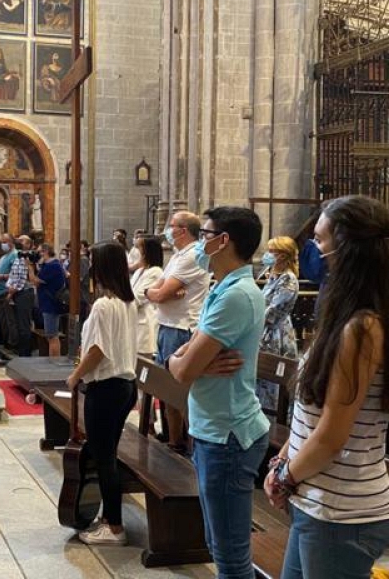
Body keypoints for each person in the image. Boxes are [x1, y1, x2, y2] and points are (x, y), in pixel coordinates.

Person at [264, 195, 389, 579]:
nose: (315, 251)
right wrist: (283, 459)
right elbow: (311, 410)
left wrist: (286, 478)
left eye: (320, 240)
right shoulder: (346, 315)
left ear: (348, 246)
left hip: (341, 511)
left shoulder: (363, 327)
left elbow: (333, 435)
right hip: (317, 500)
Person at [168, 206, 269, 579]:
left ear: (223, 241)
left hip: (227, 435)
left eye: (205, 234)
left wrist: (187, 364)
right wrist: (184, 363)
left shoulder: (235, 296)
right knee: (217, 544)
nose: (199, 242)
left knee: (230, 557)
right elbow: (177, 361)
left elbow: (181, 369)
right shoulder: (222, 287)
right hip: (215, 429)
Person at [66, 241, 138, 546]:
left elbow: (97, 351)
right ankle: (109, 517)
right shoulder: (126, 302)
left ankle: (115, 527)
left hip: (106, 389)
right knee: (105, 454)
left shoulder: (102, 305)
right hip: (125, 387)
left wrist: (75, 376)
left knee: (104, 458)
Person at [144, 211, 209, 453]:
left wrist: (159, 293)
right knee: (165, 389)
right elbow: (154, 290)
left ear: (182, 230)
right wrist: (157, 292)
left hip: (181, 327)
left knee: (180, 391)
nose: (168, 230)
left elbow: (159, 293)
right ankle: (174, 441)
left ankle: (189, 446)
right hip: (167, 324)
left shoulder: (193, 255)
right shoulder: (177, 256)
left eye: (171, 226)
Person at [260, 236, 300, 358]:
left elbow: (273, 310)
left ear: (282, 255)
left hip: (276, 334)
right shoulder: (274, 277)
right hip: (265, 330)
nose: (267, 254)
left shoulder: (288, 279)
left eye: (271, 251)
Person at [27, 243, 66, 357]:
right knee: (51, 336)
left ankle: (54, 362)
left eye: (39, 252)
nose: (38, 255)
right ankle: (52, 361)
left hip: (51, 305)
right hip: (47, 304)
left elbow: (35, 281)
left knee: (52, 336)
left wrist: (30, 268)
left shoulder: (52, 266)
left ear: (45, 252)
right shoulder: (48, 265)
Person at [130, 236, 163, 357]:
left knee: (143, 364)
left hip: (144, 323)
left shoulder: (156, 272)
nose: (135, 252)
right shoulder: (139, 271)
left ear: (147, 252)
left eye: (139, 248)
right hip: (133, 321)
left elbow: (138, 297)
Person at [5, 235, 34, 356]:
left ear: (28, 244)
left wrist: (11, 292)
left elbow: (21, 277)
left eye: (22, 240)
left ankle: (25, 353)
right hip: (18, 292)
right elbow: (13, 274)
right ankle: (21, 351)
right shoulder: (19, 255)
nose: (18, 241)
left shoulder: (28, 257)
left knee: (24, 324)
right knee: (19, 323)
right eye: (18, 239)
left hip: (24, 293)